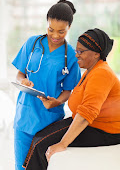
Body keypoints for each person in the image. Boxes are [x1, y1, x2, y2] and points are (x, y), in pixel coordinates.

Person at [23, 28, 120, 170]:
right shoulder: (91, 70)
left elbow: (87, 113)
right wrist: (56, 102)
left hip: (104, 130)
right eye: (76, 50)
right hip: (89, 122)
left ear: (96, 54)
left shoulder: (101, 74)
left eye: (81, 52)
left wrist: (62, 144)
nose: (76, 55)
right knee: (39, 136)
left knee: (41, 144)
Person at [12, 0, 81, 170]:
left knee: (42, 167)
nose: (55, 35)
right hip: (24, 118)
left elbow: (68, 90)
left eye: (61, 31)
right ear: (47, 23)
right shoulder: (32, 43)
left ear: (69, 28)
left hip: (49, 121)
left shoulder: (71, 55)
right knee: (21, 167)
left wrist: (57, 102)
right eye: (51, 29)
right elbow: (20, 73)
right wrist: (23, 81)